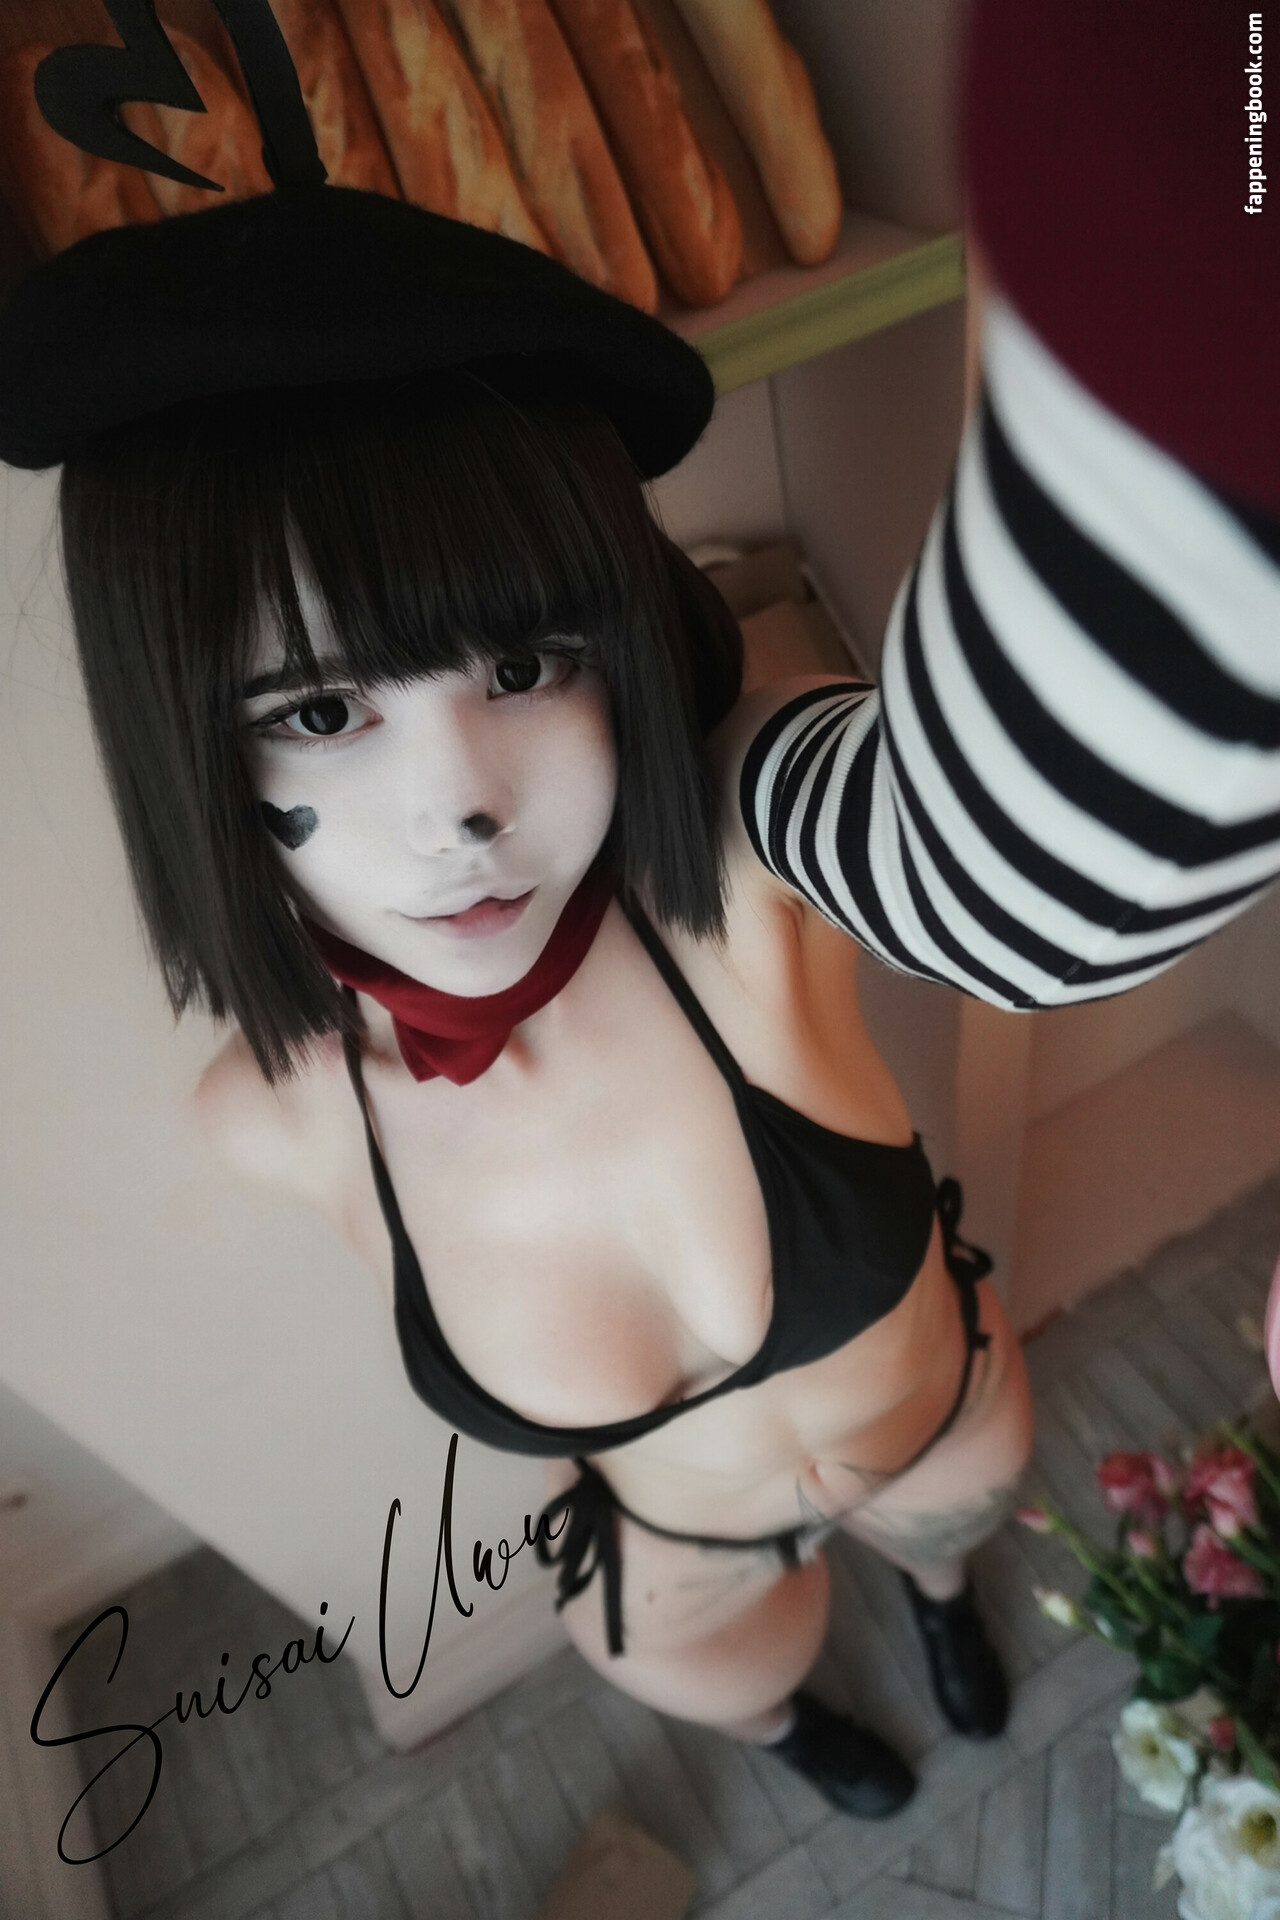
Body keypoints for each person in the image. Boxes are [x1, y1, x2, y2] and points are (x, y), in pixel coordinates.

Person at [2, 0, 1274, 1817]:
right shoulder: (277, 1118)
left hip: (937, 1442)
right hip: (677, 1578)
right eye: (321, 710)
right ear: (182, 748)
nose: (460, 807)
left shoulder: (739, 863)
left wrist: (1206, 156)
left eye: (526, 663)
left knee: (950, 1568)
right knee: (765, 1712)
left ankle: (937, 1616)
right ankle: (804, 1727)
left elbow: (1022, 862)